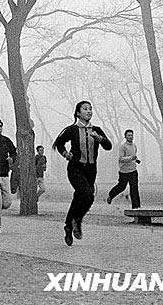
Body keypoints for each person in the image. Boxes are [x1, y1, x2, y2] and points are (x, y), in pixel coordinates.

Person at [53, 101, 112, 246]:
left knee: (87, 198)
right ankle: (76, 221)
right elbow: (58, 143)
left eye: (91, 109)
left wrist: (100, 139)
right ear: (78, 113)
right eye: (85, 109)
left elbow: (109, 146)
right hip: (75, 168)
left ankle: (69, 224)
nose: (89, 111)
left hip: (91, 170)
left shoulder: (97, 129)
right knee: (85, 192)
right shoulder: (72, 129)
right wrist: (65, 153)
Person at [107, 129, 141, 209]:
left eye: (132, 135)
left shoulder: (134, 146)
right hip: (124, 172)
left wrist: (136, 160)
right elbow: (121, 159)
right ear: (125, 136)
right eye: (129, 135)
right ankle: (111, 195)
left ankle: (136, 209)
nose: (130, 137)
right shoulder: (123, 147)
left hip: (133, 171)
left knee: (134, 189)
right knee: (121, 187)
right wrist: (131, 158)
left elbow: (133, 156)